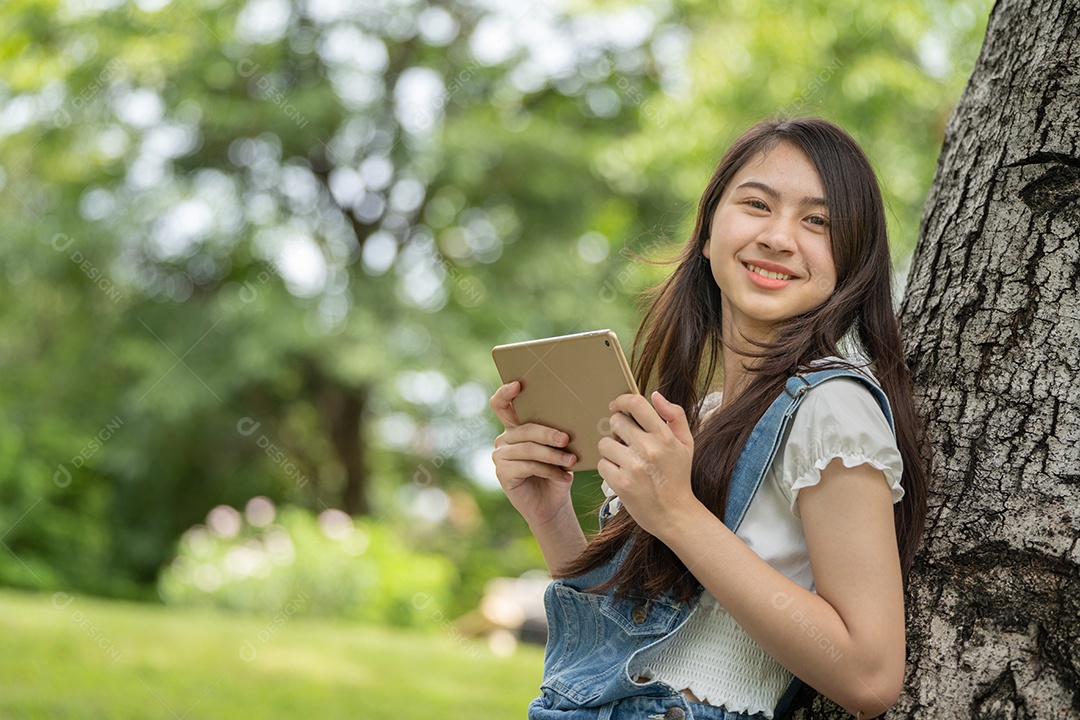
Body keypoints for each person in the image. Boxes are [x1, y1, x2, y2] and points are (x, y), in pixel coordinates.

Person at [489, 117, 928, 720]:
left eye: (817, 221)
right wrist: (548, 510)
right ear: (708, 229)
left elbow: (870, 675)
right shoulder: (699, 415)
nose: (778, 237)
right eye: (756, 204)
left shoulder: (831, 407)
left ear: (852, 259)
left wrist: (675, 511)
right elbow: (629, 637)